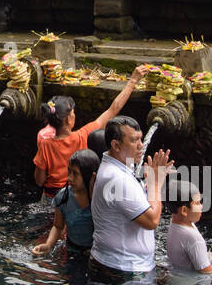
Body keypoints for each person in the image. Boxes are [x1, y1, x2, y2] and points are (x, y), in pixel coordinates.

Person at [34, 65, 151, 196]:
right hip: (78, 196)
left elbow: (40, 181)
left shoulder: (45, 145)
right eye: (73, 113)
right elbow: (113, 109)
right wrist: (132, 81)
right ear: (68, 120)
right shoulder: (82, 135)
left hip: (52, 198)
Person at [89, 116, 173, 283]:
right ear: (116, 145)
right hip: (123, 272)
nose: (141, 145)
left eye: (141, 139)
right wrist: (156, 183)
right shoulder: (117, 179)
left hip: (120, 266)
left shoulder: (118, 169)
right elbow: (152, 221)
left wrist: (149, 185)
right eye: (135, 140)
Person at [32, 148, 100, 259]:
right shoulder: (64, 196)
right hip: (72, 251)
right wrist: (48, 244)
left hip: (95, 254)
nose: (70, 178)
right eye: (69, 171)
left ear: (90, 176)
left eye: (75, 174)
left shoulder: (100, 200)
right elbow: (58, 226)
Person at [166, 171, 212, 273]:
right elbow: (205, 270)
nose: (201, 206)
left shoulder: (175, 223)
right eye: (197, 203)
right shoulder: (194, 238)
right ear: (184, 210)